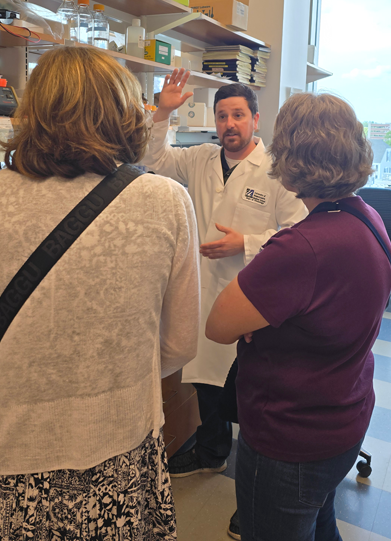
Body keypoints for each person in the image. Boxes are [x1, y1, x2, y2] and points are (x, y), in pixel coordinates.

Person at [0, 46, 200, 541]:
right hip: (117, 454)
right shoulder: (166, 201)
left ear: (31, 112)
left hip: (2, 459)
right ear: (125, 114)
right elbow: (179, 345)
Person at [206, 92, 391, 541]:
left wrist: (259, 321)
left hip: (289, 441)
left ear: (288, 160)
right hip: (343, 418)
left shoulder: (300, 248)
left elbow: (217, 326)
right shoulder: (366, 218)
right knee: (320, 525)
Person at [143, 70, 306, 487]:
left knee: (246, 389)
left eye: (237, 115)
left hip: (251, 296)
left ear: (255, 118)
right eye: (221, 116)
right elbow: (153, 158)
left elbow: (299, 234)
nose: (228, 124)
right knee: (205, 381)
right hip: (201, 289)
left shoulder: (278, 171)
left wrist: (246, 243)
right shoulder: (198, 158)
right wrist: (163, 110)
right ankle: (211, 452)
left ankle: (257, 477)